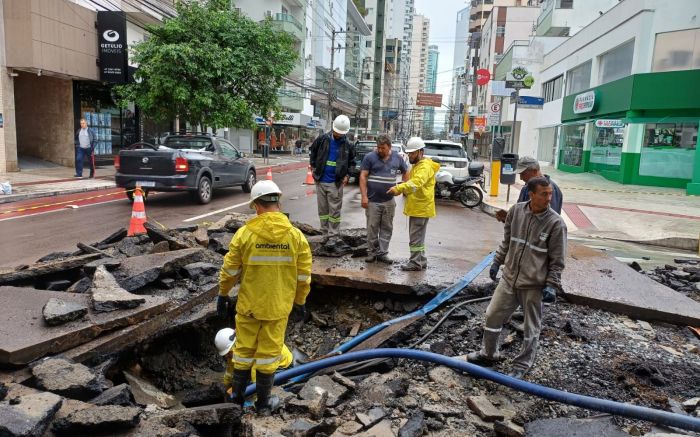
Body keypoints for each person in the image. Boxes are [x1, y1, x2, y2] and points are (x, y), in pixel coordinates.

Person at [217, 180, 312, 414]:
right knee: (269, 356)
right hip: (277, 308)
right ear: (278, 203)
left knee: (242, 353)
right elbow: (303, 277)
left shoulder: (244, 234)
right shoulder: (296, 237)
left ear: (257, 206)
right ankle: (263, 405)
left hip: (249, 306)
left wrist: (222, 293)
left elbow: (229, 270)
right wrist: (300, 301)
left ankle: (237, 400)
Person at [467, 176, 567, 379]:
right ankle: (489, 354)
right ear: (531, 195)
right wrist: (497, 262)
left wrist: (551, 285)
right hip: (509, 278)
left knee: (531, 326)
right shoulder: (516, 211)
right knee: (492, 314)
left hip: (534, 285)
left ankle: (522, 364)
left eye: (550, 194)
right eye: (544, 194)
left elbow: (557, 260)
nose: (549, 198)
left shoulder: (556, 224)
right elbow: (507, 242)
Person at [387, 137, 440, 271]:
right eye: (409, 153)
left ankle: (415, 263)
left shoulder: (424, 167)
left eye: (413, 153)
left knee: (415, 238)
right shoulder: (418, 165)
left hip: (420, 208)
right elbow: (414, 185)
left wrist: (399, 188)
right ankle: (421, 260)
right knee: (419, 238)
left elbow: (416, 183)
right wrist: (403, 187)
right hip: (420, 207)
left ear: (421, 152)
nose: (410, 155)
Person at [359, 134, 409, 264]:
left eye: (383, 148)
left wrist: (402, 187)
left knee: (387, 227)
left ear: (389, 147)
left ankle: (382, 253)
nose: (380, 150)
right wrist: (364, 196)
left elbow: (405, 172)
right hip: (372, 200)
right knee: (372, 227)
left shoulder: (397, 158)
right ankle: (371, 253)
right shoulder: (369, 157)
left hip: (389, 201)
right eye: (378, 148)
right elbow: (363, 176)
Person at [309, 114, 356, 246]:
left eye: (340, 133)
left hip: (336, 182)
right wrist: (313, 168)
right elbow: (313, 153)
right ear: (333, 128)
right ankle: (324, 234)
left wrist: (347, 176)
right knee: (323, 211)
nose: (337, 135)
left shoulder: (348, 145)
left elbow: (352, 162)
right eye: (336, 132)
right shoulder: (323, 139)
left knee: (334, 211)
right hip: (320, 180)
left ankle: (333, 235)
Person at [214, 328, 296, 398]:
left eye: (228, 353)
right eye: (226, 354)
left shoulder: (249, 347)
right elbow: (231, 370)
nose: (227, 356)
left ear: (232, 347)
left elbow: (257, 374)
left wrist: (254, 396)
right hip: (265, 363)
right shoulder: (235, 350)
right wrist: (226, 385)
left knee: (249, 386)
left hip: (283, 365)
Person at [495, 156, 563, 222]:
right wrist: (508, 217)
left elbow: (550, 221)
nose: (521, 178)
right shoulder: (526, 188)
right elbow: (521, 213)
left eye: (523, 174)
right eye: (520, 174)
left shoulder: (550, 190)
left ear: (534, 171)